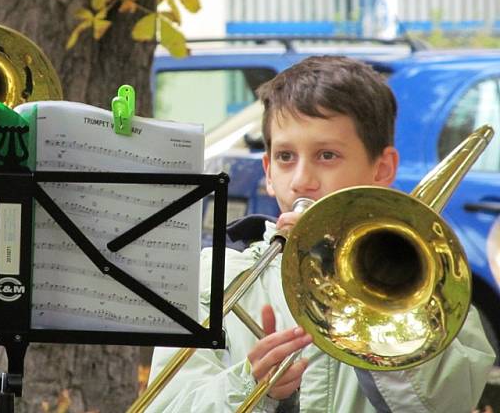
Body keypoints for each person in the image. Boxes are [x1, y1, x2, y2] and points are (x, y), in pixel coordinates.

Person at [146, 56, 496, 412]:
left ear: (382, 168)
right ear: (268, 171)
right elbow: (166, 403)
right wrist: (250, 385)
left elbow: (445, 401)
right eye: (285, 157)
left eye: (327, 155)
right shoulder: (213, 279)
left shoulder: (424, 280)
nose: (301, 180)